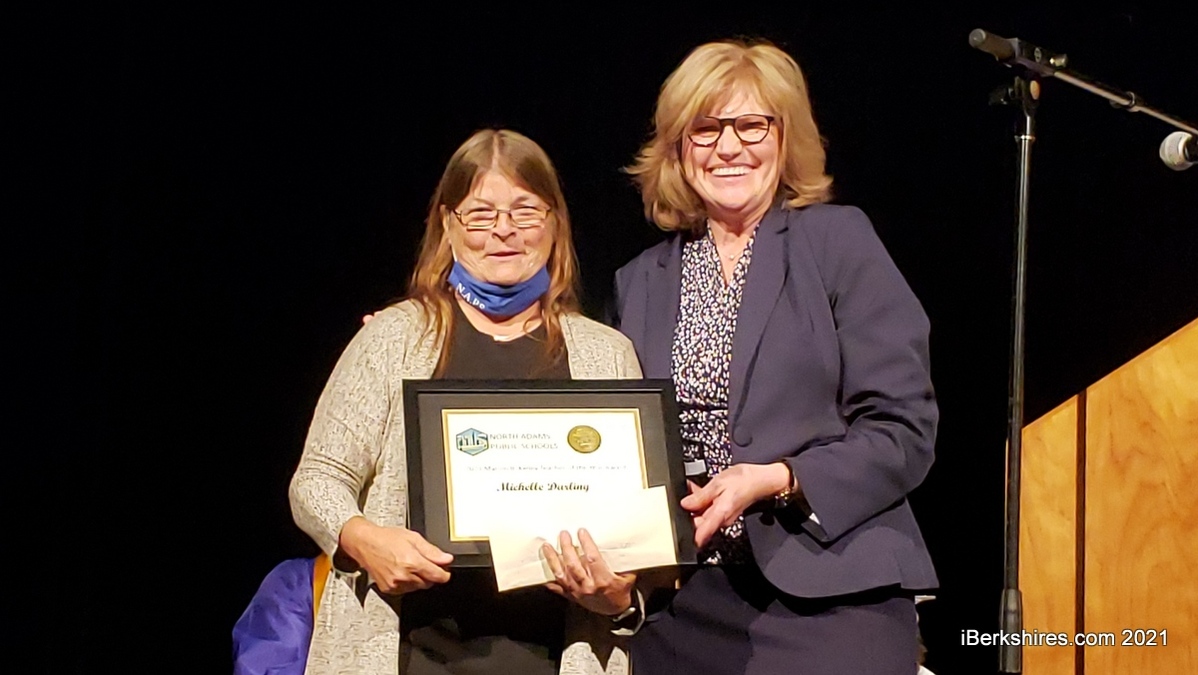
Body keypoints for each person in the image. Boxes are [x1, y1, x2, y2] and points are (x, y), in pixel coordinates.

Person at [607, 39, 939, 674]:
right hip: (684, 601)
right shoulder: (639, 280)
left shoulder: (837, 241)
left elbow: (905, 429)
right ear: (678, 147)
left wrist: (781, 479)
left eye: (751, 125)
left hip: (833, 589)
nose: (729, 147)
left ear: (785, 137)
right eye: (706, 129)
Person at [289, 129, 641, 675]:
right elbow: (317, 479)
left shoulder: (606, 354)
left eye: (525, 210)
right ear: (449, 224)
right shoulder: (395, 338)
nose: (503, 230)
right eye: (480, 214)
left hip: (554, 657)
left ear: (554, 223)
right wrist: (364, 540)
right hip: (408, 653)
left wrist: (618, 598)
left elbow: (637, 538)